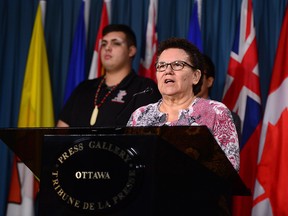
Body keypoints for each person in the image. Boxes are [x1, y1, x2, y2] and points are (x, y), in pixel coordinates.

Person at [127, 37, 239, 215]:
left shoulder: (216, 112)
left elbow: (227, 169)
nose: (167, 71)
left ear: (196, 76)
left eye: (177, 65)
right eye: (161, 66)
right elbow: (128, 165)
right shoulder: (140, 115)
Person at [57, 24, 161, 127]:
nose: (107, 48)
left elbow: (148, 138)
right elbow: (61, 134)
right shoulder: (83, 88)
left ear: (131, 51)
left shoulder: (145, 89)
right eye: (103, 44)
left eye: (116, 43)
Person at [197, 54, 242, 143]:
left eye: (198, 75)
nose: (192, 80)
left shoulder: (227, 118)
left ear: (209, 81)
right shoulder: (172, 114)